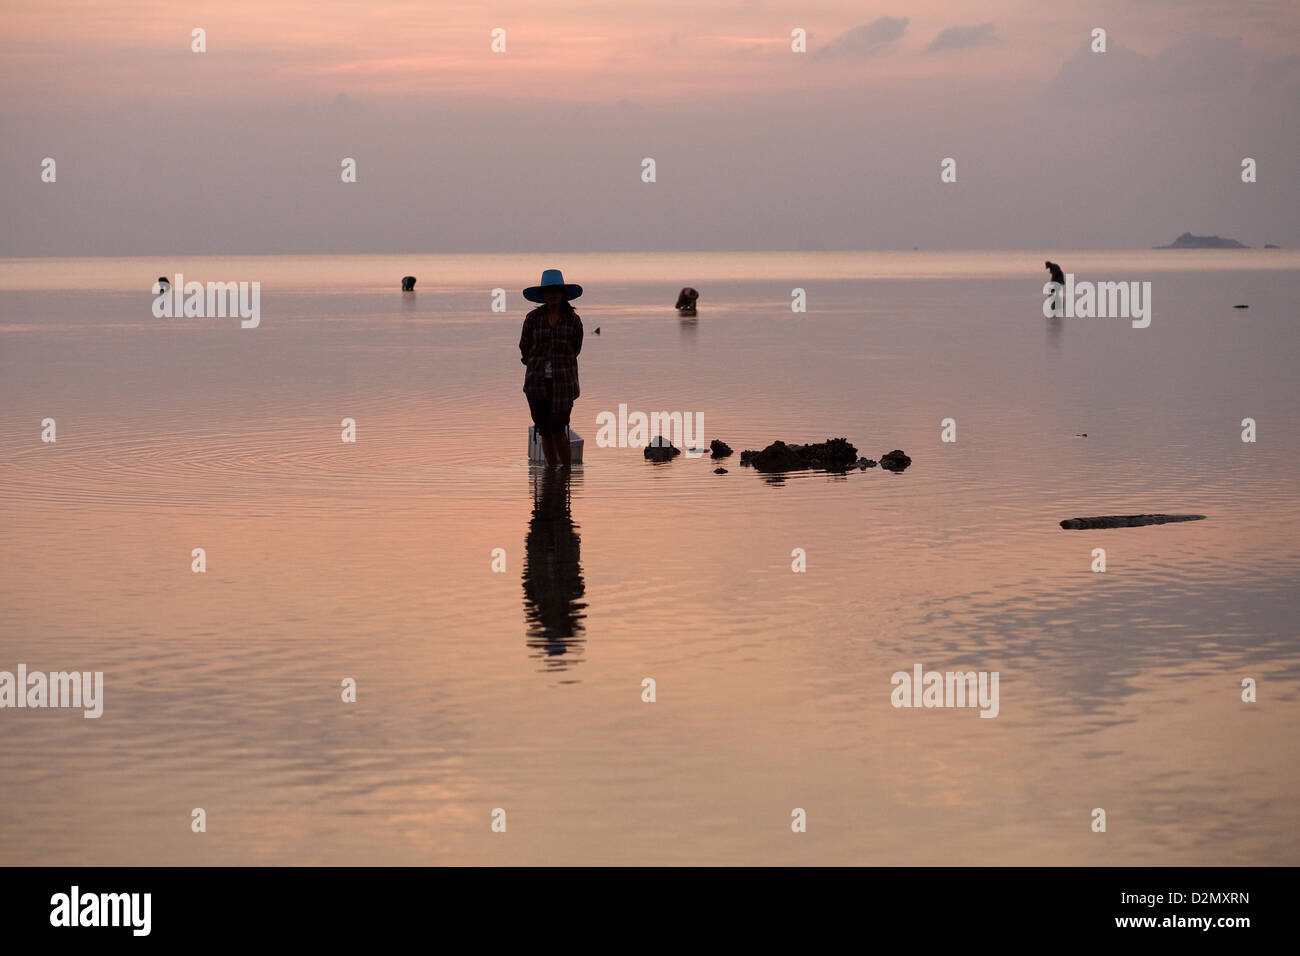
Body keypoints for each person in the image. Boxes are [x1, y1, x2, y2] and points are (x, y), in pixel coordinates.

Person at [519, 269, 584, 470]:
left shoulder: (573, 320)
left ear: (563, 293)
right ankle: (550, 472)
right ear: (543, 295)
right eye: (548, 291)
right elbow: (524, 346)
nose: (552, 295)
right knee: (544, 430)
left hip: (563, 382)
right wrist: (535, 362)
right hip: (536, 383)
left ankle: (565, 473)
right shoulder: (532, 318)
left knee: (558, 428)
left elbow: (576, 348)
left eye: (556, 291)